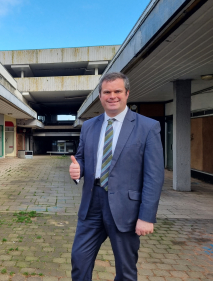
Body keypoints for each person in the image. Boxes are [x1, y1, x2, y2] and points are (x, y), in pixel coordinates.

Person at [69, 72, 164, 281]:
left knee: (126, 270)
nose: (112, 96)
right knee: (79, 260)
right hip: (91, 204)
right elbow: (82, 158)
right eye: (107, 92)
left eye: (117, 91)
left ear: (127, 93)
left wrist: (147, 216)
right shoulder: (88, 126)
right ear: (100, 96)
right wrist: (78, 170)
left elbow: (154, 176)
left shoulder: (148, 127)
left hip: (126, 210)